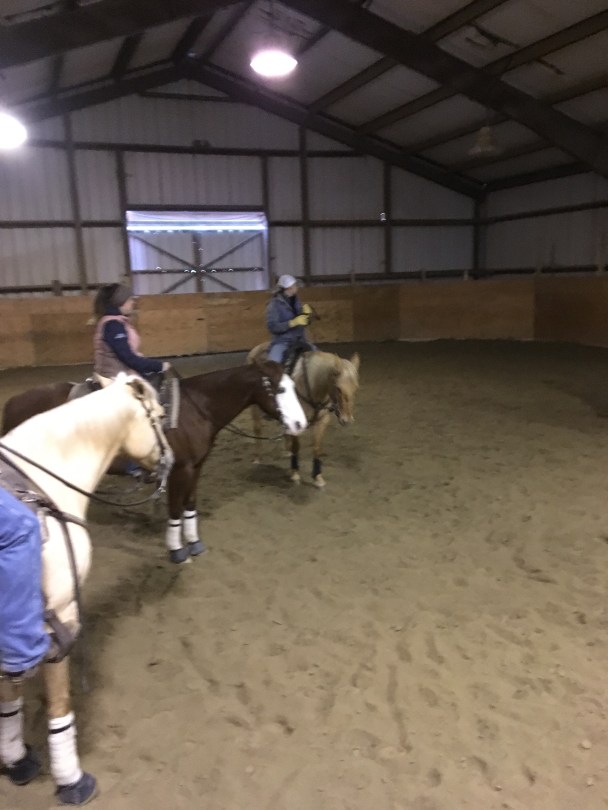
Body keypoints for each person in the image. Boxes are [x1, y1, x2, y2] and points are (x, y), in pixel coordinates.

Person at [93, 283, 169, 381]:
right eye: (129, 300)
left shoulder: (117, 321)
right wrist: (158, 365)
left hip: (119, 373)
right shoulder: (113, 325)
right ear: (120, 302)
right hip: (114, 377)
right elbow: (128, 357)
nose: (133, 302)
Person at [266, 274, 316, 366]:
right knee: (273, 365)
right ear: (288, 288)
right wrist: (292, 323)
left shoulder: (296, 300)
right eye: (295, 285)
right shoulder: (274, 305)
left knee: (318, 358)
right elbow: (272, 327)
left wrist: (306, 315)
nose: (297, 287)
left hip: (300, 340)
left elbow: (301, 321)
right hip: (282, 342)